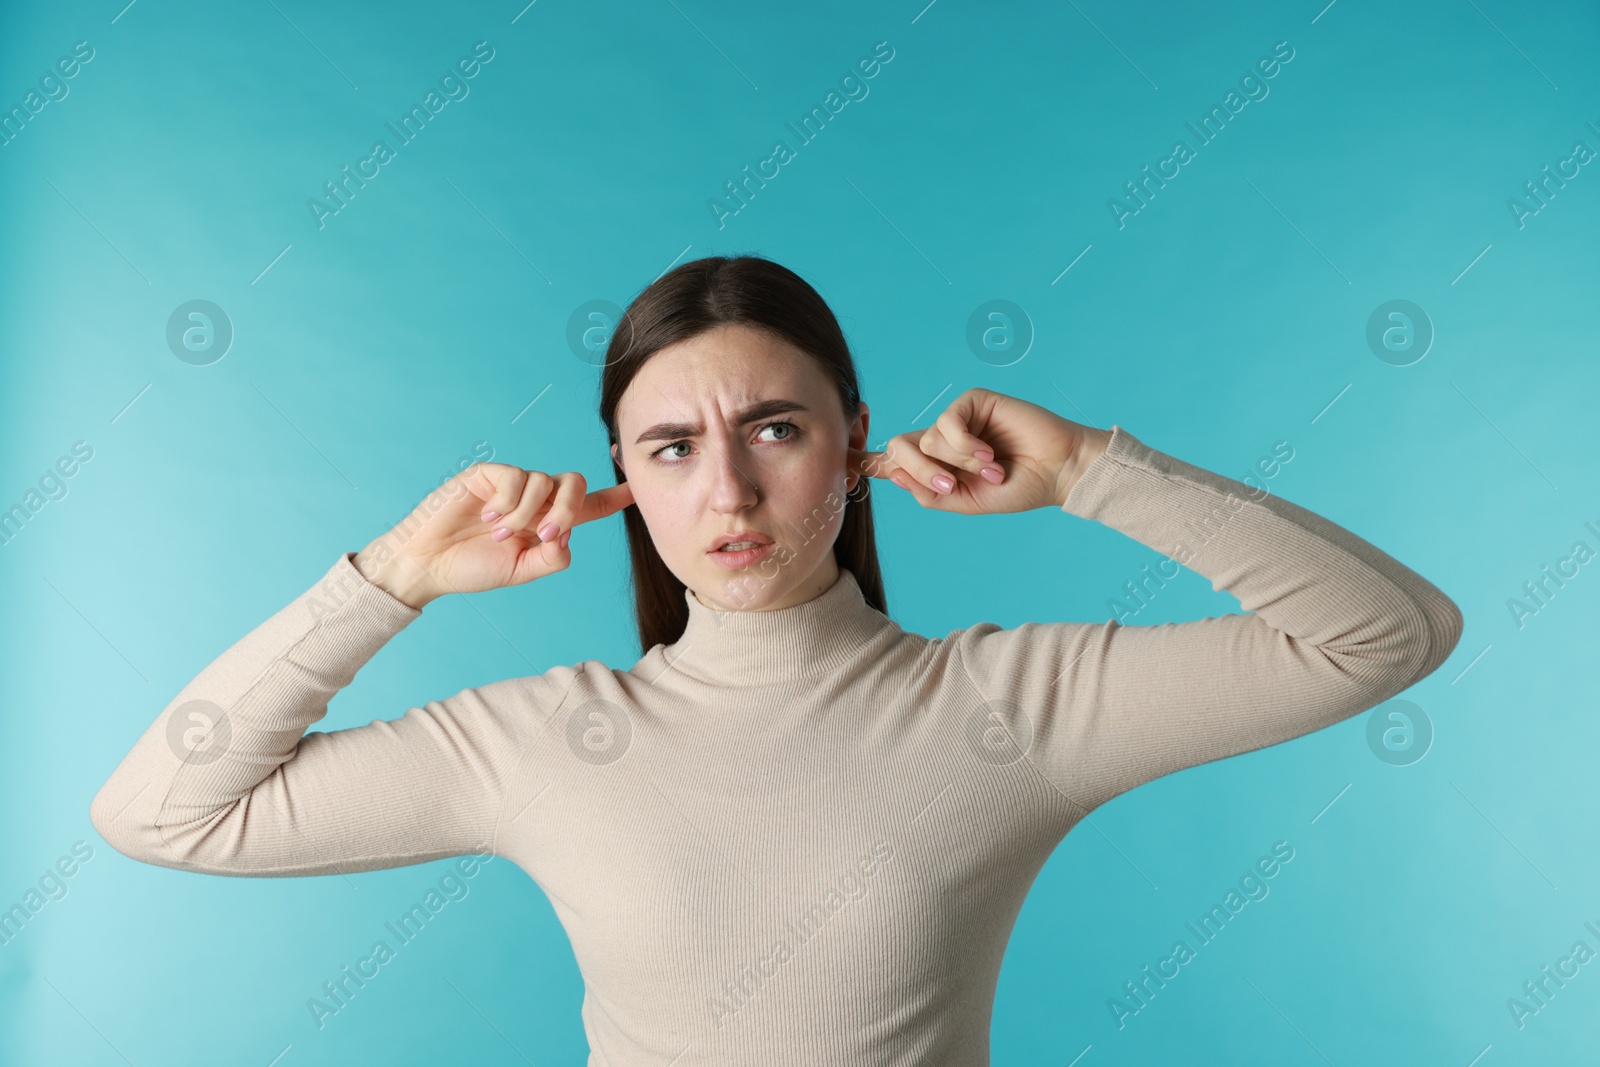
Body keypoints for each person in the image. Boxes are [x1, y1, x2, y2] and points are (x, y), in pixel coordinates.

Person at [90, 255, 1463, 1064]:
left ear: (854, 442)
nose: (731, 497)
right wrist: (390, 576)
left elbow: (1389, 634)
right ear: (622, 478)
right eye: (673, 450)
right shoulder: (544, 740)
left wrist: (1095, 471)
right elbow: (161, 812)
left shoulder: (1009, 709)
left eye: (776, 429)